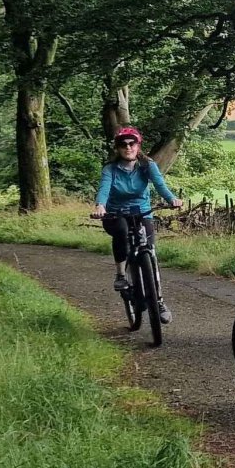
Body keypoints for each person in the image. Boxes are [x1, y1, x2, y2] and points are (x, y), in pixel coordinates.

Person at [94, 127, 182, 322]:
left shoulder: (147, 165)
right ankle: (121, 275)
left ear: (138, 145)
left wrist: (172, 199)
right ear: (117, 148)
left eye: (131, 143)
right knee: (122, 232)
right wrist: (100, 206)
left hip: (141, 211)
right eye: (123, 144)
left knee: (150, 251)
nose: (128, 147)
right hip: (115, 213)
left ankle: (158, 301)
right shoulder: (110, 169)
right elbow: (104, 189)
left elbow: (160, 185)